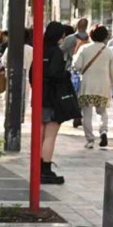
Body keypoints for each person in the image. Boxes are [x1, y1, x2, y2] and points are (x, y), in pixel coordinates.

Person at [36, 21, 72, 185]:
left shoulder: (40, 49)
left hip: (39, 96)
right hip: (52, 98)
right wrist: (66, 75)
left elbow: (33, 74)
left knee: (40, 134)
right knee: (50, 135)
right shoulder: (56, 52)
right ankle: (45, 169)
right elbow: (55, 74)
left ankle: (37, 166)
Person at [72, 25, 113, 149]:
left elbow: (76, 66)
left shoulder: (84, 48)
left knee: (87, 114)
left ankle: (90, 140)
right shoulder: (108, 51)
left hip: (87, 86)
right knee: (102, 112)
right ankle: (103, 131)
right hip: (103, 87)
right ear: (105, 36)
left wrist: (75, 56)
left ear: (90, 35)